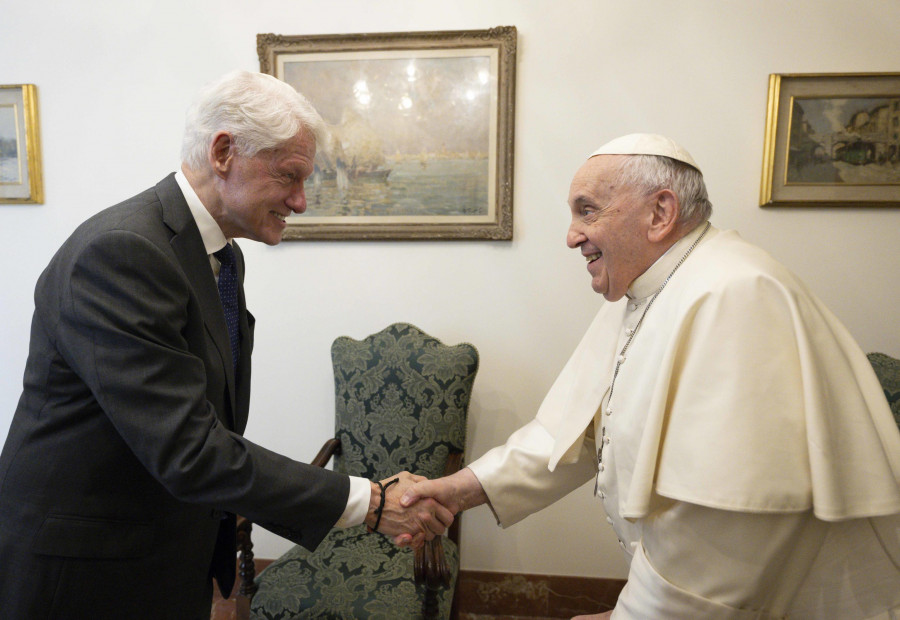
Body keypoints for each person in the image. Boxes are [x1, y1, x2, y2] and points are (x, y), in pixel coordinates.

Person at [0, 70, 451, 619]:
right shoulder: (122, 253)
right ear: (223, 152)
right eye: (290, 176)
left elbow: (211, 427)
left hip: (158, 555)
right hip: (85, 570)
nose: (302, 202)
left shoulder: (220, 255)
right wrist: (371, 502)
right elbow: (190, 450)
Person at [400, 134, 900, 618]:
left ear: (660, 213)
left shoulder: (735, 294)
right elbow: (578, 431)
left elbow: (724, 532)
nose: (571, 235)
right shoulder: (650, 287)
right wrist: (460, 489)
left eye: (587, 210)